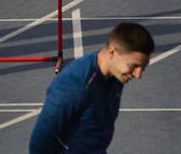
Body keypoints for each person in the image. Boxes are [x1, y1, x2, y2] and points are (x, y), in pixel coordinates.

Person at [28, 22, 155, 154]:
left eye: (143, 68)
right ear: (112, 52)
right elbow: (40, 140)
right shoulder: (74, 83)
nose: (138, 75)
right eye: (134, 66)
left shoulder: (116, 74)